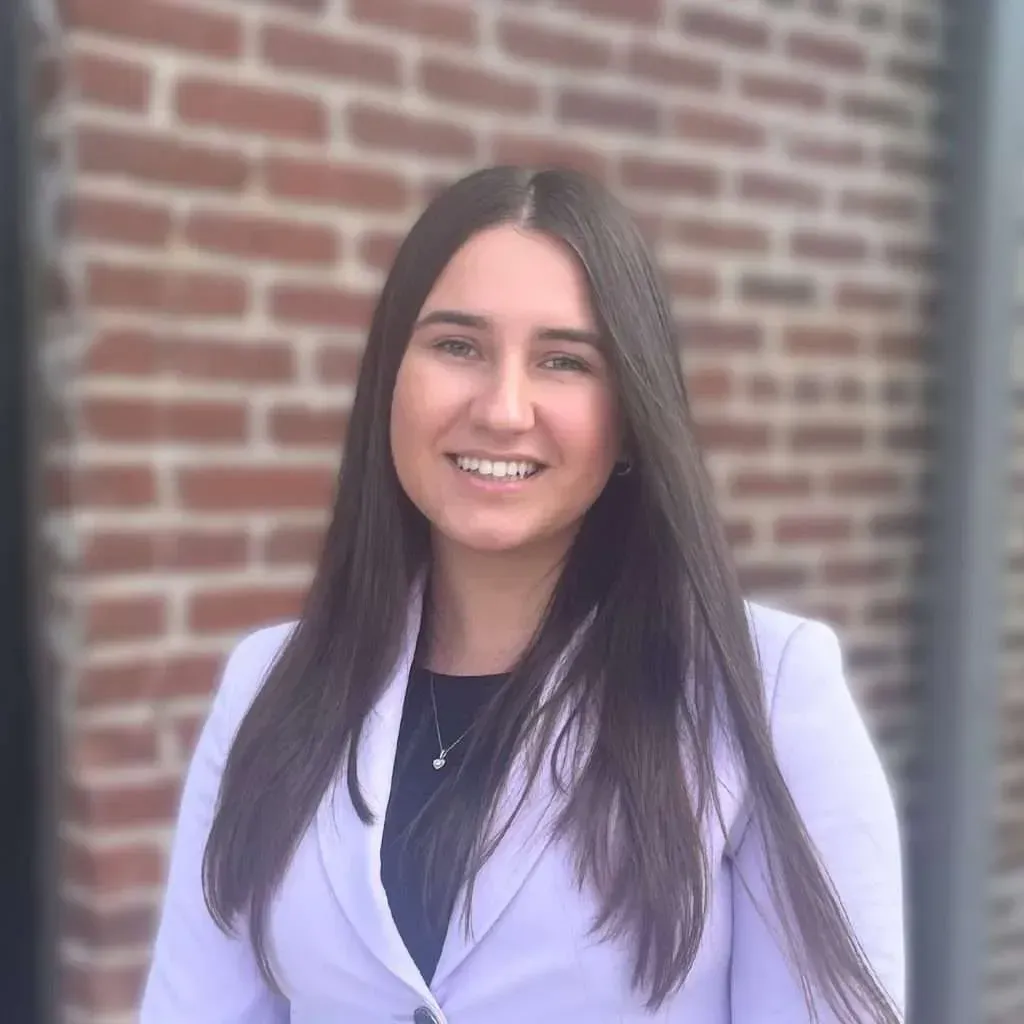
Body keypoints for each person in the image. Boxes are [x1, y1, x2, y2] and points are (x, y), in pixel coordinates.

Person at [140, 166, 905, 1024]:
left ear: (629, 418)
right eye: (457, 346)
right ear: (391, 380)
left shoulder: (765, 688)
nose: (504, 409)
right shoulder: (268, 686)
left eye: (563, 360)